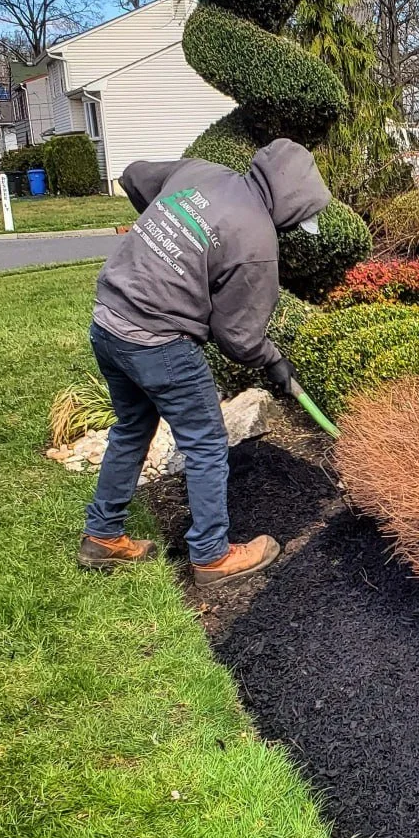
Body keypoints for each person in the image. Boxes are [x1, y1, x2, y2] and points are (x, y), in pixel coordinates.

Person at [77, 138, 324, 588]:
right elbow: (238, 337)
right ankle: (211, 555)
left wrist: (170, 242)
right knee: (207, 443)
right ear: (291, 204)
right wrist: (275, 362)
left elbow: (134, 174)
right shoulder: (256, 240)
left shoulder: (201, 173)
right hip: (158, 338)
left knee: (132, 428)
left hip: (109, 319)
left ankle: (102, 535)